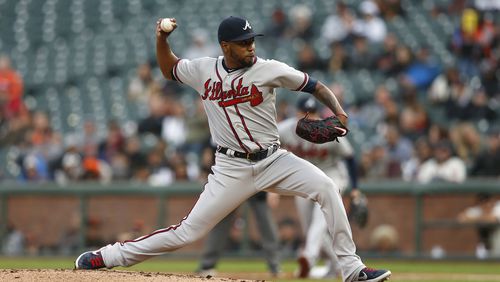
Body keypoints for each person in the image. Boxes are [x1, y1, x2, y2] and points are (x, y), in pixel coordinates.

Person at [75, 16, 391, 282]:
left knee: (327, 187)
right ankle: (108, 256)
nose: (250, 45)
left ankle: (352, 270)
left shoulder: (269, 68)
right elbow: (168, 68)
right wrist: (161, 38)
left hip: (273, 158)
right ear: (225, 46)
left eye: (252, 39)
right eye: (243, 42)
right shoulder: (202, 70)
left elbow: (315, 86)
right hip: (230, 168)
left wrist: (340, 113)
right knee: (186, 233)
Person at [278, 96, 361, 279]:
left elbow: (350, 157)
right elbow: (269, 147)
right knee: (310, 229)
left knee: (319, 220)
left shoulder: (327, 130)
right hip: (304, 176)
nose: (309, 117)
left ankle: (309, 256)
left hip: (332, 175)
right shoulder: (284, 130)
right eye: (304, 113)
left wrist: (355, 188)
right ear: (297, 113)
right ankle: (336, 264)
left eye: (313, 113)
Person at [196, 192, 281, 278]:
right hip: (234, 182)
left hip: (258, 185)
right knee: (222, 220)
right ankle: (207, 266)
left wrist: (272, 191)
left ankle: (275, 266)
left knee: (266, 222)